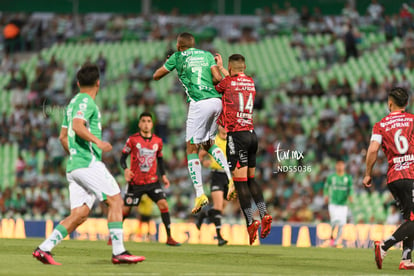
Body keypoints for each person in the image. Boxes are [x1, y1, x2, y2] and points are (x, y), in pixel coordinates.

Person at [32, 64, 144, 265]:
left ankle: (44, 249)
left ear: (77, 83)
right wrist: (97, 142)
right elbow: (77, 125)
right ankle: (119, 252)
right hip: (87, 163)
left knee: (80, 214)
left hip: (75, 165)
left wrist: (74, 155)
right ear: (98, 83)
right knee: (116, 200)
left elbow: (62, 137)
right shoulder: (86, 102)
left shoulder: (73, 102)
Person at [153, 32, 233, 214]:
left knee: (191, 149)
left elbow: (156, 76)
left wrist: (173, 64)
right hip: (216, 102)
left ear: (179, 46)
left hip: (199, 104)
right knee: (208, 143)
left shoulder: (177, 56)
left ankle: (199, 194)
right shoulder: (206, 54)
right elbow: (219, 79)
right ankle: (231, 177)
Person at [214, 53, 272, 245]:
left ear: (230, 67)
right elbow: (231, 80)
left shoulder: (228, 82)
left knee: (240, 184)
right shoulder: (250, 82)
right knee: (251, 179)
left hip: (236, 136)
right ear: (244, 67)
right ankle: (264, 214)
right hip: (252, 134)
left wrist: (215, 66)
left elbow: (218, 84)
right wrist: (225, 69)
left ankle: (250, 222)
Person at [363, 87, 414, 270]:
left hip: (394, 177)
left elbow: (373, 150)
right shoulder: (412, 120)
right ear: (406, 104)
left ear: (390, 103)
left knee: (410, 218)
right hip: (411, 174)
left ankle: (406, 259)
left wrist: (368, 173)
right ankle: (383, 246)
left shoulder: (380, 125)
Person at [118, 112, 180, 246]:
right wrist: (126, 169)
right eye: (143, 121)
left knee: (163, 204)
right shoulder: (133, 140)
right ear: (140, 124)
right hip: (136, 182)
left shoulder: (158, 141)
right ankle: (114, 236)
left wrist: (163, 176)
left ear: (152, 124)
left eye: (148, 121)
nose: (146, 124)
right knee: (126, 210)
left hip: (152, 181)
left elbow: (160, 159)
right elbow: (122, 158)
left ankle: (169, 237)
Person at [196, 126, 229, 246]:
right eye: (223, 125)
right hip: (217, 176)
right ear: (219, 127)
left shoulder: (232, 140)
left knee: (220, 209)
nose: (225, 128)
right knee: (218, 206)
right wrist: (205, 162)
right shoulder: (213, 140)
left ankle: (203, 214)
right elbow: (200, 154)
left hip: (229, 177)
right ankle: (219, 237)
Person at [323, 159, 353, 247]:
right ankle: (331, 235)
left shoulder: (348, 178)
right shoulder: (331, 177)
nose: (340, 167)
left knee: (342, 224)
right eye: (338, 165)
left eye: (341, 165)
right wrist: (326, 195)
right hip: (333, 203)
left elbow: (350, 189)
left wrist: (350, 196)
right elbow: (326, 187)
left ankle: (336, 242)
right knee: (334, 221)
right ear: (336, 166)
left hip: (343, 204)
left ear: (344, 166)